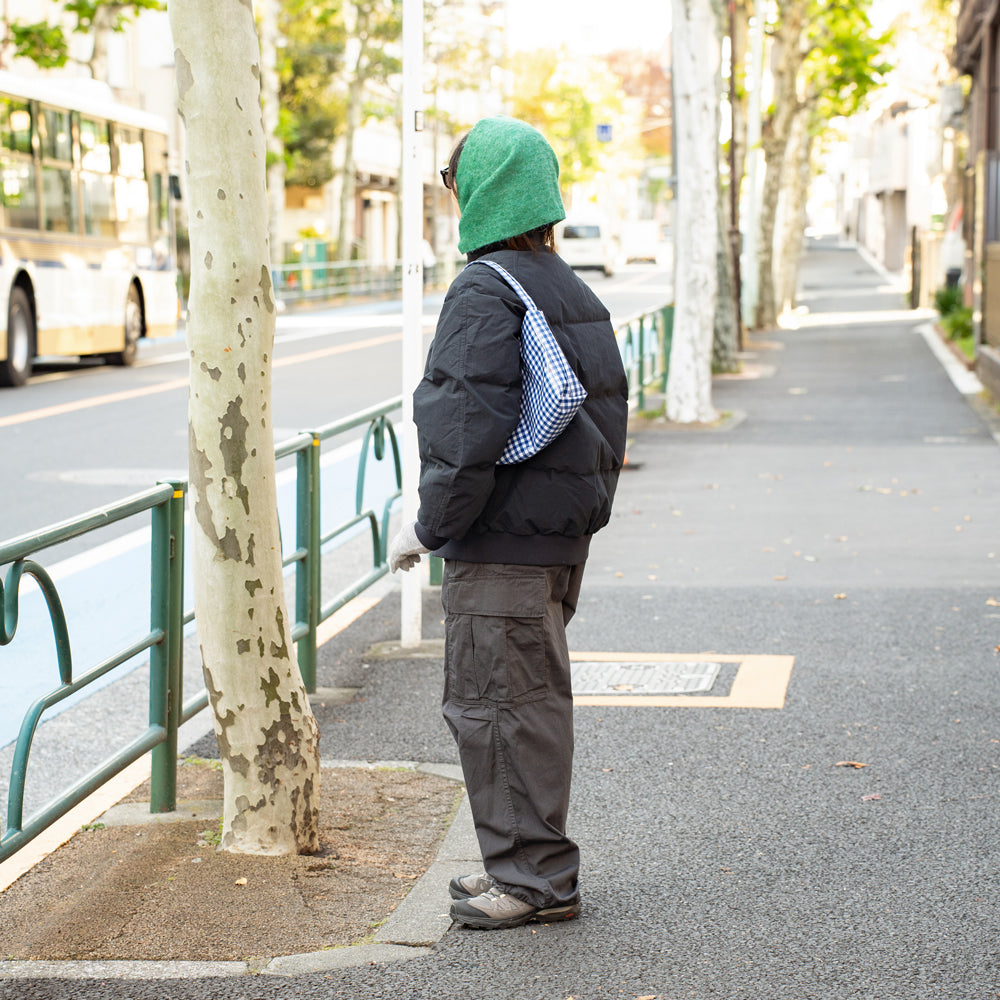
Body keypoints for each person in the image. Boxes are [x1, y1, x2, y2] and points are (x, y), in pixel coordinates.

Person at [388, 116, 628, 931]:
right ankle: (531, 867)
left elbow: (465, 426)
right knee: (530, 703)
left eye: (452, 184)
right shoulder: (569, 287)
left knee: (498, 707)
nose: (449, 200)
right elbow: (607, 422)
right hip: (556, 540)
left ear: (481, 191)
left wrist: (426, 526)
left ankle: (531, 880)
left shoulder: (486, 288)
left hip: (501, 543)